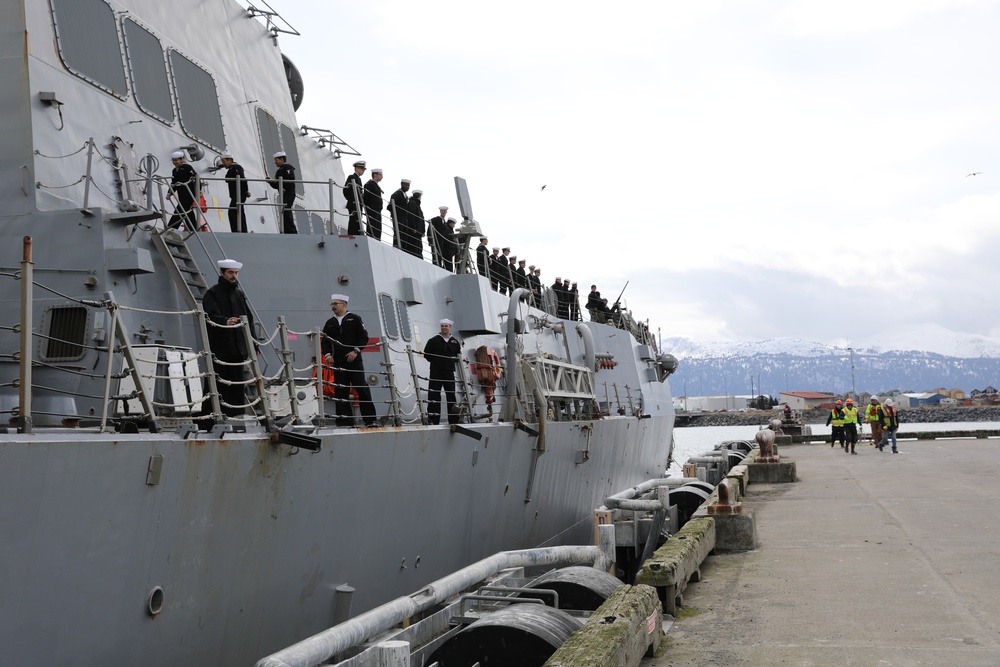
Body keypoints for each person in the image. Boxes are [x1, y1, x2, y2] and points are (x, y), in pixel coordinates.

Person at [202, 259, 257, 417]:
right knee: (216, 386)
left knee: (236, 387)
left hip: (238, 350)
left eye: (236, 273)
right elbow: (210, 316)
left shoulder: (239, 294)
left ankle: (236, 420)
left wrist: (254, 344)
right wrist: (225, 321)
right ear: (222, 273)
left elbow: (249, 320)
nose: (234, 276)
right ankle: (209, 420)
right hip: (220, 350)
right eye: (231, 273)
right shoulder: (212, 294)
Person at [321, 294, 378, 427]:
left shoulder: (355, 319)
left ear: (344, 304)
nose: (333, 306)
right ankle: (343, 422)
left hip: (354, 361)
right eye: (332, 304)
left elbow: (363, 337)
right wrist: (328, 354)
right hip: (339, 361)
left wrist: (355, 351)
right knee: (341, 390)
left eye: (336, 303)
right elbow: (325, 341)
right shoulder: (330, 323)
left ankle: (370, 420)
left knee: (361, 387)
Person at [423, 318, 463, 425]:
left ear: (450, 327)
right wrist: (437, 362)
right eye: (443, 326)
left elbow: (457, 355)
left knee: (451, 395)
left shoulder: (455, 342)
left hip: (449, 371)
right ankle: (433, 419)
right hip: (436, 371)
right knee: (434, 395)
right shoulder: (433, 340)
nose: (444, 327)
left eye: (446, 326)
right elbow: (426, 354)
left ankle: (453, 420)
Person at [167, 150, 198, 231]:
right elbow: (174, 183)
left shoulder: (187, 168)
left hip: (189, 194)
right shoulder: (174, 171)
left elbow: (196, 178)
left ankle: (171, 228)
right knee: (187, 211)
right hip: (181, 194)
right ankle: (193, 229)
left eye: (176, 160)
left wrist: (199, 191)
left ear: (181, 159)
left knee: (180, 210)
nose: (175, 162)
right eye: (173, 160)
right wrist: (169, 193)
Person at [266, 151, 297, 233]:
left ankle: (292, 231)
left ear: (282, 159)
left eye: (276, 160)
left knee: (286, 211)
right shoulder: (280, 170)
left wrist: (283, 186)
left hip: (288, 193)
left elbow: (290, 179)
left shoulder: (287, 168)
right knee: (284, 211)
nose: (275, 162)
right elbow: (276, 185)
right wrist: (269, 181)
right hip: (284, 194)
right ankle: (286, 230)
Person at [220, 153, 250, 233]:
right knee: (238, 212)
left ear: (230, 160)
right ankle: (241, 230)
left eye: (224, 161)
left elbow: (242, 179)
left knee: (233, 212)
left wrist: (246, 191)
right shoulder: (232, 168)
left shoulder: (236, 168)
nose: (223, 164)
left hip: (239, 194)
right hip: (235, 195)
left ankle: (239, 230)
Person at [343, 160, 366, 235]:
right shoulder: (352, 177)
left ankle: (357, 233)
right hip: (353, 204)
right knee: (353, 220)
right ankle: (352, 233)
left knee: (358, 220)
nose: (363, 171)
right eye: (362, 169)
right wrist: (351, 199)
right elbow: (345, 190)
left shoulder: (359, 179)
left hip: (358, 204)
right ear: (357, 168)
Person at [363, 167, 384, 240]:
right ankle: (372, 238)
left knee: (378, 228)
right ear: (374, 175)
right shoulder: (369, 184)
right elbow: (366, 197)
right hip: (372, 209)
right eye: (380, 174)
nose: (382, 176)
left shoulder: (376, 185)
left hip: (377, 210)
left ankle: (377, 239)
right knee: (373, 226)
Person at [403, 189, 426, 258]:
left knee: (418, 249)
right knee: (414, 249)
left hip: (418, 232)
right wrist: (413, 228)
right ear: (419, 196)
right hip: (414, 232)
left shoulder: (417, 205)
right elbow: (411, 216)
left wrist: (422, 231)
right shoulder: (413, 203)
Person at [389, 178, 410, 248]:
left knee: (404, 234)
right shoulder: (397, 194)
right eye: (406, 185)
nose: (407, 187)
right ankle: (397, 245)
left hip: (404, 218)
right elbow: (390, 206)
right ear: (402, 185)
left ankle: (403, 247)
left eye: (408, 185)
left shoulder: (405, 195)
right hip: (398, 217)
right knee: (398, 232)